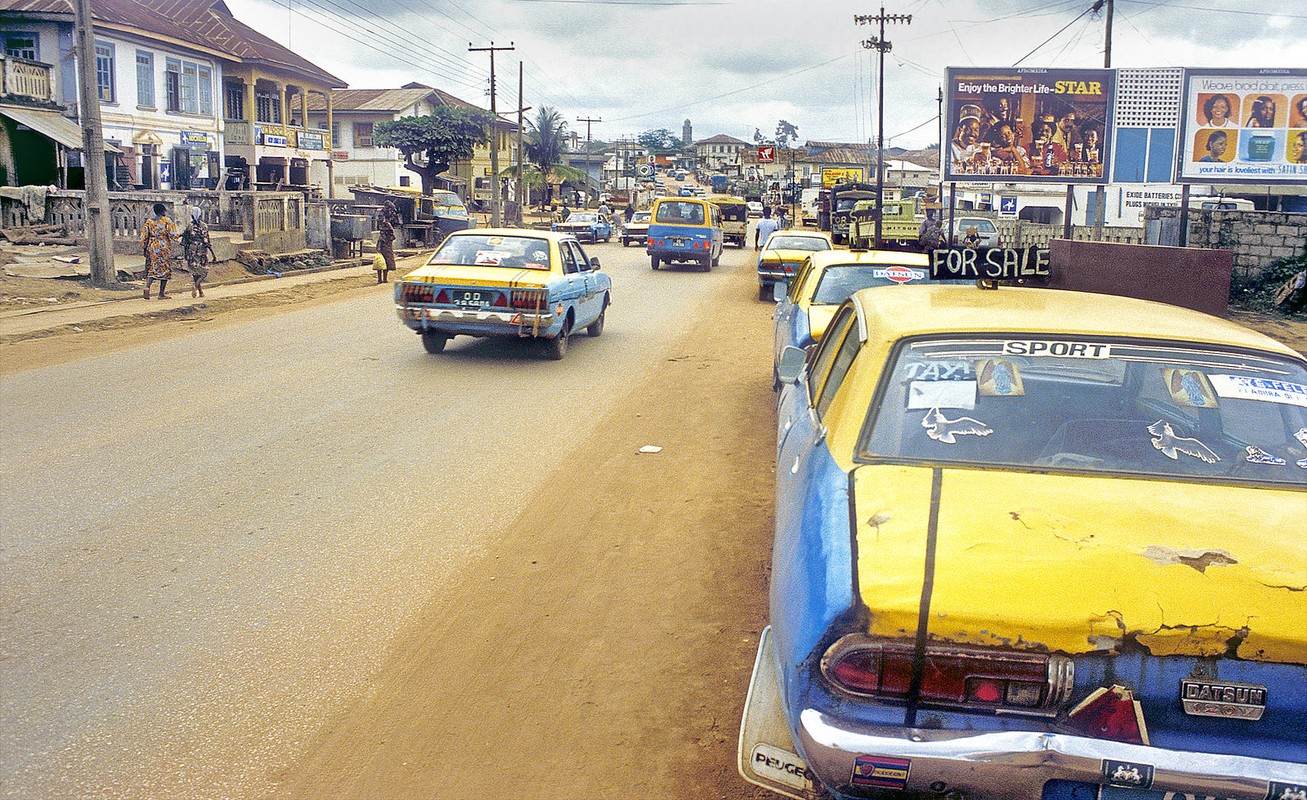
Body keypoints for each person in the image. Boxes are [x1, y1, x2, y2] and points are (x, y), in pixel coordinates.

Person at [140, 202, 178, 300]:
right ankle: (161, 293)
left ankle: (147, 287)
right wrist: (180, 236)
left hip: (153, 246)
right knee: (165, 269)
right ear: (162, 211)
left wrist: (145, 248)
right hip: (164, 246)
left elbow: (144, 236)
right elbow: (173, 234)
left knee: (153, 267)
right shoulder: (167, 221)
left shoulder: (149, 221)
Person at [180, 207, 216, 299]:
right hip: (201, 250)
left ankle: (200, 292)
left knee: (195, 271)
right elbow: (206, 240)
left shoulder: (189, 226)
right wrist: (213, 254)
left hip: (191, 250)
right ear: (200, 215)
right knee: (204, 271)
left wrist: (185, 253)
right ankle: (196, 286)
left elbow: (185, 241)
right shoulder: (203, 226)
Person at [376, 201, 399, 284]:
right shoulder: (386, 224)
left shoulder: (384, 222)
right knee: (384, 262)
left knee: (380, 262)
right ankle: (383, 279)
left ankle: (381, 279)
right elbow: (392, 236)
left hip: (383, 245)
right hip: (385, 246)